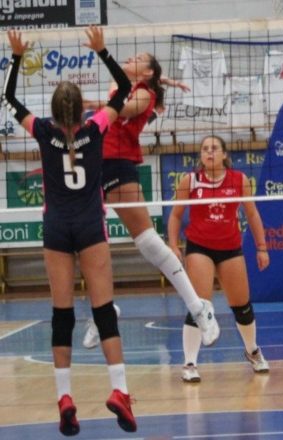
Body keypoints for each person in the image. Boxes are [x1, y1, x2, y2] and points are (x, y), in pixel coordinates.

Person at [3, 27, 136, 435]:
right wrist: (102, 52)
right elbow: (125, 89)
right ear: (80, 110)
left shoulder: (42, 131)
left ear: (54, 111)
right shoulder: (96, 129)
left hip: (57, 229)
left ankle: (65, 398)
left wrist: (17, 57)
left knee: (61, 315)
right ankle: (120, 391)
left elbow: (9, 99)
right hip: (91, 227)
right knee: (104, 312)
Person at [81, 49, 219, 350]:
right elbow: (129, 87)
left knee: (147, 241)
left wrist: (90, 104)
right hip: (93, 164)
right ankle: (103, 312)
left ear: (147, 73)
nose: (131, 57)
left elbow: (122, 109)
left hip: (118, 164)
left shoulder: (145, 94)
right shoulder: (125, 83)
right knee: (88, 244)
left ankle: (199, 308)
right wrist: (168, 80)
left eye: (139, 58)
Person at [167, 135, 270, 382]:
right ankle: (190, 363)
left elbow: (252, 214)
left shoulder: (239, 179)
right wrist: (173, 245)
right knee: (199, 305)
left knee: (242, 306)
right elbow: (175, 215)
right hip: (199, 247)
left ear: (224, 154)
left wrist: (262, 247)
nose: (209, 152)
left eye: (214, 148)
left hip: (230, 248)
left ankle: (252, 351)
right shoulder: (190, 180)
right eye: (204, 149)